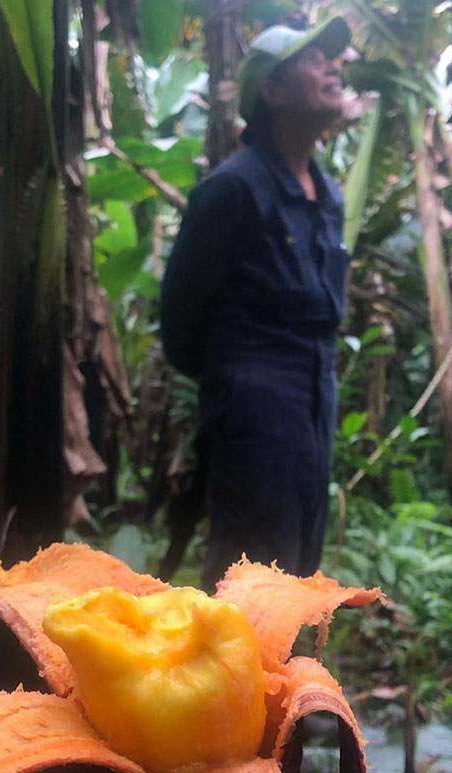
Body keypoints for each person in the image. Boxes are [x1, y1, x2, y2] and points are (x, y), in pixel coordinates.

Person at [160, 18, 351, 585]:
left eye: (332, 57)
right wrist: (239, 382)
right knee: (252, 570)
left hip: (317, 393)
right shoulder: (232, 190)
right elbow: (179, 321)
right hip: (255, 401)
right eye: (314, 60)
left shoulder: (329, 193)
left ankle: (284, 677)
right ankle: (233, 675)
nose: (334, 66)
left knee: (299, 564)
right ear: (272, 90)